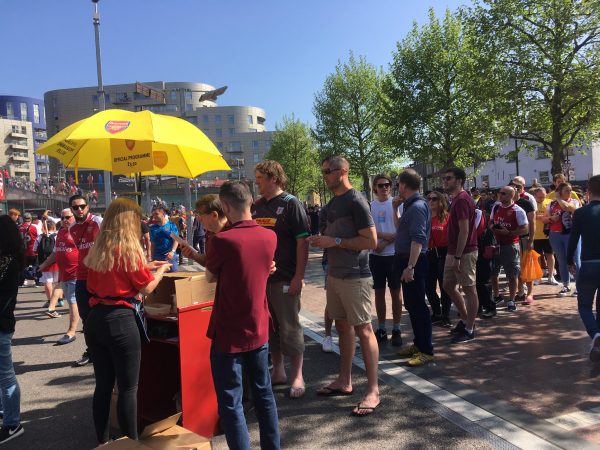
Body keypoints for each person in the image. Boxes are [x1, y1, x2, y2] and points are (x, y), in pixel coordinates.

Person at [84, 198, 171, 444]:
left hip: (96, 319)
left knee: (103, 385)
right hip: (121, 321)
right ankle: (129, 443)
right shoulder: (129, 250)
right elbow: (146, 288)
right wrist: (161, 271)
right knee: (128, 388)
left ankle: (102, 441)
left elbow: (103, 279)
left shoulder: (98, 249)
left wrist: (146, 265)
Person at [205, 181, 280, 450]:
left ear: (225, 206)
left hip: (228, 331)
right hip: (258, 326)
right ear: (251, 202)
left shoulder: (222, 240)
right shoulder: (269, 237)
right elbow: (261, 267)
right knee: (263, 392)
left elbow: (210, 276)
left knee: (231, 400)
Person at [307, 155, 380, 417]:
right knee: (342, 326)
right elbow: (334, 237)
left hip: (355, 275)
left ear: (343, 171)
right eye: (324, 170)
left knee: (364, 329)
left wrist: (335, 241)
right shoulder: (334, 202)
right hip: (336, 274)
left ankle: (373, 390)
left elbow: (371, 241)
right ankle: (344, 380)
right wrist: (322, 240)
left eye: (329, 170)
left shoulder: (356, 200)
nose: (325, 175)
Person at [253, 160, 310, 399]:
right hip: (260, 280)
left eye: (260, 178)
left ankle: (297, 375)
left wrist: (299, 276)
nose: (256, 183)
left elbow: (303, 241)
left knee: (290, 327)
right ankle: (278, 370)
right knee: (270, 328)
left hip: (285, 277)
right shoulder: (255, 206)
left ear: (273, 178)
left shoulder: (291, 204)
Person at [392, 170, 433, 366]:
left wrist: (411, 266)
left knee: (418, 306)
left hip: (412, 261)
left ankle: (426, 349)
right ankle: (418, 344)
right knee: (412, 305)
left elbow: (418, 239)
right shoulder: (410, 206)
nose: (396, 187)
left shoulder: (416, 207)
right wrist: (394, 209)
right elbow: (400, 228)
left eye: (398, 183)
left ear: (404, 185)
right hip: (407, 260)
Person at [442, 168, 480, 344]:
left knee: (469, 288)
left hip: (464, 252)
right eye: (445, 178)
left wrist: (457, 256)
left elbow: (464, 231)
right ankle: (465, 319)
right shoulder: (455, 200)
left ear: (459, 180)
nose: (445, 181)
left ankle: (470, 329)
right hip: (453, 251)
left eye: (448, 178)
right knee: (448, 285)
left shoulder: (463, 200)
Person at [568, 175, 600, 361]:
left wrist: (569, 261)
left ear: (588, 191)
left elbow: (573, 239)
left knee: (585, 305)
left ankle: (595, 334)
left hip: (588, 264)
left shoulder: (580, 213)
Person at [369, 174, 403, 346]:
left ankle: (396, 328)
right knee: (379, 293)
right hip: (376, 256)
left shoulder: (397, 204)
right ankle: (382, 328)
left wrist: (386, 242)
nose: (384, 188)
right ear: (375, 187)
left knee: (396, 293)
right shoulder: (370, 206)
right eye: (380, 185)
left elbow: (403, 229)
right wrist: (381, 240)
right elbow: (369, 229)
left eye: (387, 185)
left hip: (394, 255)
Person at [0, 215, 25, 444]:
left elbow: (4, 299)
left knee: (6, 375)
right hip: (3, 323)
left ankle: (13, 423)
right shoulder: (8, 261)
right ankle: (5, 412)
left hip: (1, 325)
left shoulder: (9, 263)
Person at [39, 209, 80, 343]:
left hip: (76, 273)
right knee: (74, 301)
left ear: (74, 217)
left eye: (67, 217)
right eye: (62, 218)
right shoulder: (61, 232)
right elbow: (56, 253)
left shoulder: (80, 231)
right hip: (64, 274)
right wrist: (43, 265)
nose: (64, 220)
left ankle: (71, 332)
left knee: (73, 301)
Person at [70, 195, 103, 365]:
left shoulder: (97, 221)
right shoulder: (72, 228)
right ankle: (91, 351)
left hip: (99, 276)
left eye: (82, 206)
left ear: (88, 206)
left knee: (103, 316)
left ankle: (105, 350)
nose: (79, 209)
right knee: (86, 318)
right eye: (75, 207)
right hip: (82, 278)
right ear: (72, 209)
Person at [489, 186, 529, 312]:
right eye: (499, 193)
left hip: (510, 246)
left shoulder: (518, 210)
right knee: (493, 273)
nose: (500, 195)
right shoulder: (496, 207)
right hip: (495, 245)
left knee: (512, 274)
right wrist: (492, 227)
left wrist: (509, 232)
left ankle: (511, 299)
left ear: (511, 195)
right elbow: (490, 222)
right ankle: (496, 296)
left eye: (503, 194)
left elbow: (525, 228)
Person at [546, 182, 581, 296]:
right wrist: (552, 218)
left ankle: (579, 286)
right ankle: (566, 285)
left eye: (570, 190)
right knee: (562, 261)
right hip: (555, 235)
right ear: (560, 191)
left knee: (575, 260)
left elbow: (568, 208)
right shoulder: (551, 204)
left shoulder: (574, 201)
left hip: (571, 234)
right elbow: (546, 219)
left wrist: (558, 198)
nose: (570, 192)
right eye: (566, 190)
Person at [425, 191, 452, 327]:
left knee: (444, 286)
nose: (431, 201)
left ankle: (446, 315)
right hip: (428, 254)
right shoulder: (425, 217)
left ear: (441, 201)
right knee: (428, 287)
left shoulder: (448, 217)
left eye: (434, 199)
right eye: (428, 198)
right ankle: (436, 312)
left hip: (443, 253)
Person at [182, 194, 229, 267]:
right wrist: (194, 255)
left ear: (214, 215)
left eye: (201, 214)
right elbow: (210, 261)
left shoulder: (232, 237)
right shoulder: (210, 233)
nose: (198, 219)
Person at [510, 181, 537, 305]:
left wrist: (531, 239)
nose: (516, 190)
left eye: (518, 187)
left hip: (524, 238)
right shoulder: (505, 204)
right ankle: (520, 291)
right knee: (516, 267)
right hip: (511, 239)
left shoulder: (526, 203)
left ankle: (530, 292)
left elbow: (532, 222)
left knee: (527, 265)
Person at [532, 187, 559, 285]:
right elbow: (529, 216)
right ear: (535, 196)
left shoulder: (550, 202)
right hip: (535, 235)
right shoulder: (532, 203)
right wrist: (539, 217)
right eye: (539, 197)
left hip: (548, 234)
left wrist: (545, 218)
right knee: (537, 257)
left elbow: (555, 214)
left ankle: (551, 276)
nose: (541, 199)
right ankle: (538, 276)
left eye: (543, 196)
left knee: (550, 255)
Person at [34, 220, 59, 309]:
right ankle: (59, 299)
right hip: (56, 261)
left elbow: (35, 249)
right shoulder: (57, 236)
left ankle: (50, 300)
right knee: (57, 281)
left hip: (44, 262)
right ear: (54, 227)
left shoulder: (40, 237)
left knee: (48, 281)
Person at [149, 206, 179, 272]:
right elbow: (152, 244)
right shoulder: (152, 228)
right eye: (153, 214)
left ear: (163, 213)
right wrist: (152, 258)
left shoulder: (171, 225)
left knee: (173, 277)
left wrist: (172, 251)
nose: (154, 216)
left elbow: (176, 240)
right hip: (158, 257)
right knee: (161, 278)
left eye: (156, 214)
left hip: (170, 256)